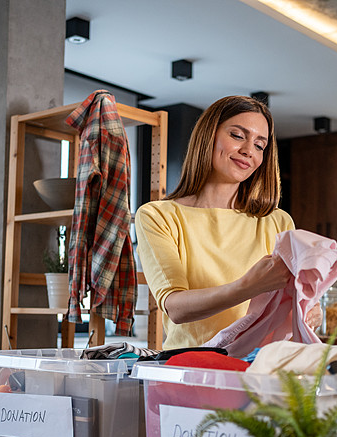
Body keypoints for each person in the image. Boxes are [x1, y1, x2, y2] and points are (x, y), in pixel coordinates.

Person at [135, 95, 321, 351]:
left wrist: (309, 310)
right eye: (237, 135)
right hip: (192, 364)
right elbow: (175, 308)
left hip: (261, 365)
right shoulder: (159, 216)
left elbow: (291, 299)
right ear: (208, 136)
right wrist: (249, 286)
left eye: (260, 145)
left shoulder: (277, 221)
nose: (248, 150)